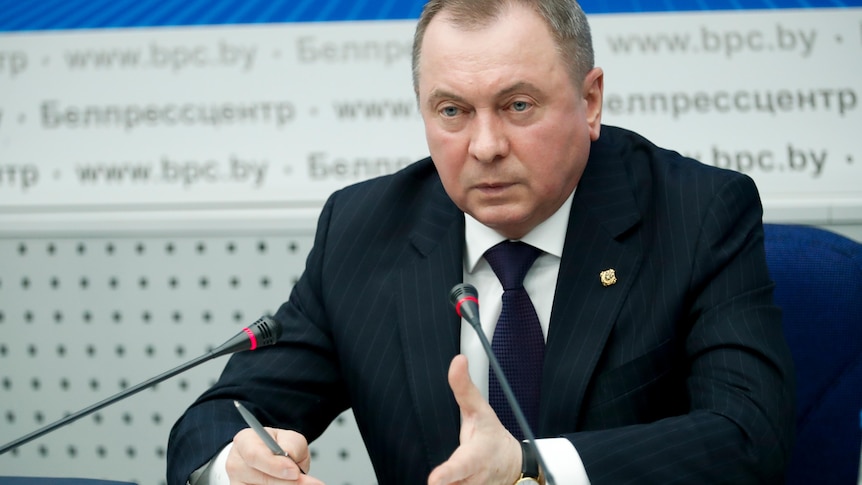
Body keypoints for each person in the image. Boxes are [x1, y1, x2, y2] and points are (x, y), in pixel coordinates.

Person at [167, 0, 796, 483]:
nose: (485, 146)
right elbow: (221, 413)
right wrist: (235, 467)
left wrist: (532, 465)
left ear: (590, 100)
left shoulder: (697, 213)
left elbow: (749, 436)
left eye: (518, 106)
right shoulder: (363, 230)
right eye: (452, 111)